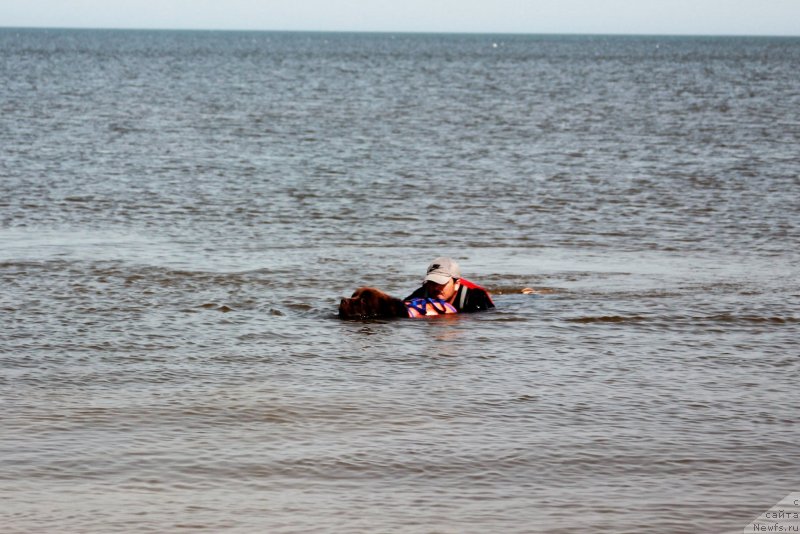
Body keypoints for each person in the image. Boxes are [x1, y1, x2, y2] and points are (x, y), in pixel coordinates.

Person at [404, 257, 495, 313]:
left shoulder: (476, 298)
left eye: (441, 282)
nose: (435, 288)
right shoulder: (423, 292)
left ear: (457, 284)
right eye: (432, 282)